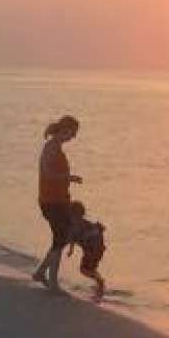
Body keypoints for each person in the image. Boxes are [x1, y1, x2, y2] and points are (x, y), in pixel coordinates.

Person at [32, 115, 81, 291]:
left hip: (59, 200)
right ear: (65, 129)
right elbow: (46, 174)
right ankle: (52, 281)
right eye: (73, 133)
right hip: (50, 201)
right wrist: (69, 177)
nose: (73, 137)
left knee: (63, 237)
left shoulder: (57, 148)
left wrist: (68, 181)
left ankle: (41, 272)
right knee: (60, 238)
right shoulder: (51, 148)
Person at [65, 200, 107, 302]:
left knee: (85, 269)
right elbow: (72, 239)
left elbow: (99, 231)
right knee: (86, 269)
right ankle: (99, 282)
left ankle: (100, 283)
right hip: (89, 250)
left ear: (81, 215)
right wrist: (71, 250)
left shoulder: (86, 225)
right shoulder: (73, 227)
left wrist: (95, 247)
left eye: (76, 216)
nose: (74, 219)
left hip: (95, 250)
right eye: (72, 216)